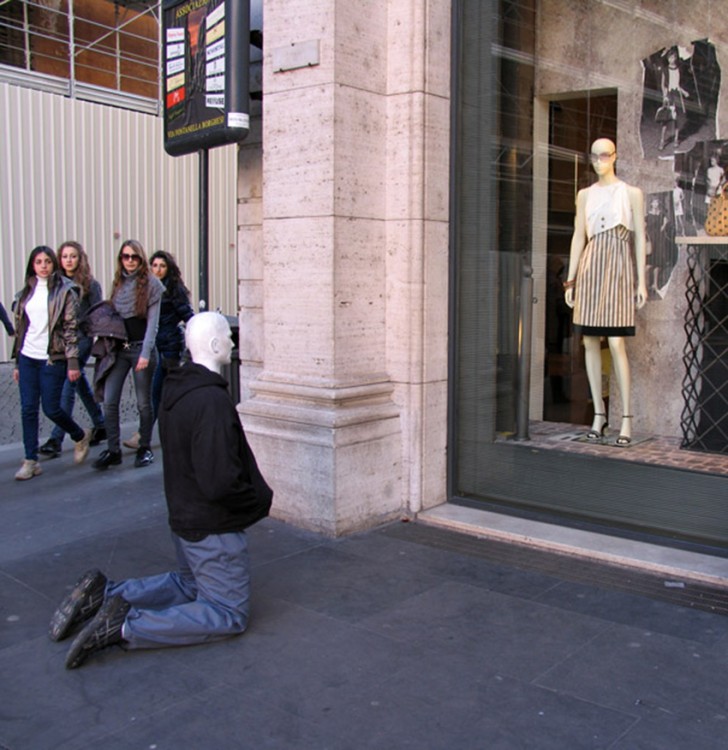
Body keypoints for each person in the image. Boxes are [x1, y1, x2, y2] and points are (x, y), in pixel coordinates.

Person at [49, 312, 273, 669]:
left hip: (183, 519)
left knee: (188, 585)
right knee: (227, 612)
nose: (233, 342)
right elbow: (220, 481)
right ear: (215, 346)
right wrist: (258, 500)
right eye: (229, 337)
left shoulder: (176, 389)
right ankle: (123, 626)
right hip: (210, 526)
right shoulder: (211, 402)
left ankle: (103, 595)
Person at [564, 138, 647, 446]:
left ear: (615, 156)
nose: (599, 161)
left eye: (604, 155)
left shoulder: (631, 193)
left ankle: (625, 418)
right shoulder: (584, 195)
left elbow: (639, 238)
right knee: (588, 340)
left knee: (616, 342)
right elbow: (577, 237)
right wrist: (570, 280)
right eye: (594, 156)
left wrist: (641, 281)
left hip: (618, 265)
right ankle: (599, 414)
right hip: (590, 266)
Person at [11, 246, 92, 480]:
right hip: (28, 357)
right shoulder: (25, 292)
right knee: (27, 409)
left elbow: (70, 329)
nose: (43, 265)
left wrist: (73, 362)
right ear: (32, 265)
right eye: (38, 262)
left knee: (51, 408)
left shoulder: (66, 291)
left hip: (52, 359)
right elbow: (21, 330)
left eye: (47, 261)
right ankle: (31, 460)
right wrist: (17, 362)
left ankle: (79, 435)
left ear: (53, 264)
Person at [92, 240, 164, 470]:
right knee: (110, 400)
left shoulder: (152, 285)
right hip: (119, 351)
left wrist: (145, 354)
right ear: (120, 259)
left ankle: (144, 448)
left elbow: (153, 324)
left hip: (142, 348)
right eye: (126, 256)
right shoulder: (119, 283)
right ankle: (113, 450)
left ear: (141, 259)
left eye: (134, 257)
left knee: (144, 403)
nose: (130, 260)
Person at [122, 251, 194, 451]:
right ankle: (153, 434)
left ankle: (143, 435)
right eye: (154, 265)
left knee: (157, 392)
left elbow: (188, 315)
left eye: (162, 266)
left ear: (169, 269)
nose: (158, 270)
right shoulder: (146, 289)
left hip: (169, 348)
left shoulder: (174, 291)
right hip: (151, 346)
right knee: (155, 393)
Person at [39, 242, 106, 458]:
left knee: (68, 385)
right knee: (79, 384)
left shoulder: (90, 284)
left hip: (82, 340)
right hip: (62, 343)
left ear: (80, 258)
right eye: (65, 256)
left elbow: (98, 312)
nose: (69, 260)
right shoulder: (55, 283)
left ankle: (57, 438)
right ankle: (100, 423)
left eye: (73, 256)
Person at [658, 48, 689, 152]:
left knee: (676, 119)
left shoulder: (678, 69)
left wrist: (684, 92)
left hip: (677, 95)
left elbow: (678, 85)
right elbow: (663, 84)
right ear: (667, 59)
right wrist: (664, 95)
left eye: (674, 57)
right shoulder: (665, 70)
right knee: (666, 119)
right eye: (670, 57)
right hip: (668, 95)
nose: (672, 59)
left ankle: (676, 139)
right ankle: (662, 141)